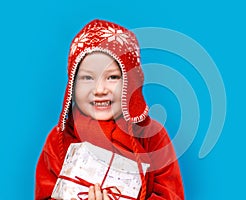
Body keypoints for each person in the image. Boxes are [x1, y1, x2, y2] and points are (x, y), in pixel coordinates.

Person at [35, 19, 184, 200]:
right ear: (72, 85)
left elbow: (171, 195)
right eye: (87, 78)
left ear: (132, 83)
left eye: (112, 77)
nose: (99, 90)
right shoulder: (59, 138)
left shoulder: (153, 136)